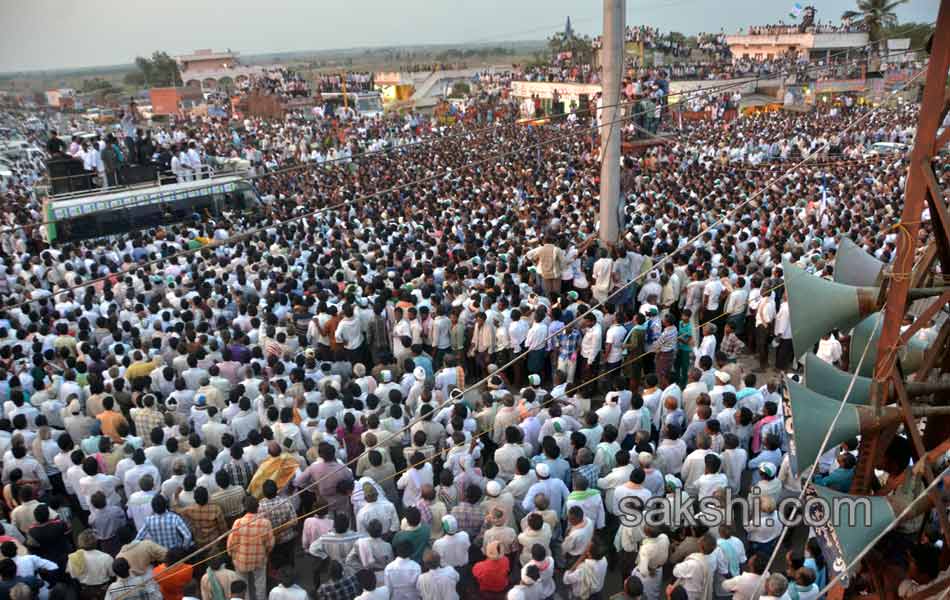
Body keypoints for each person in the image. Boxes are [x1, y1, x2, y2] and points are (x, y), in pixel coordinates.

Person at [227, 496, 274, 600]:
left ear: (244, 507)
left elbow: (231, 544)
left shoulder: (238, 523)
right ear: (258, 507)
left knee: (243, 585)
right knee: (260, 584)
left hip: (241, 560)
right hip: (259, 559)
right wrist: (265, 552)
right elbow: (270, 544)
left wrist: (232, 555)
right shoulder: (265, 523)